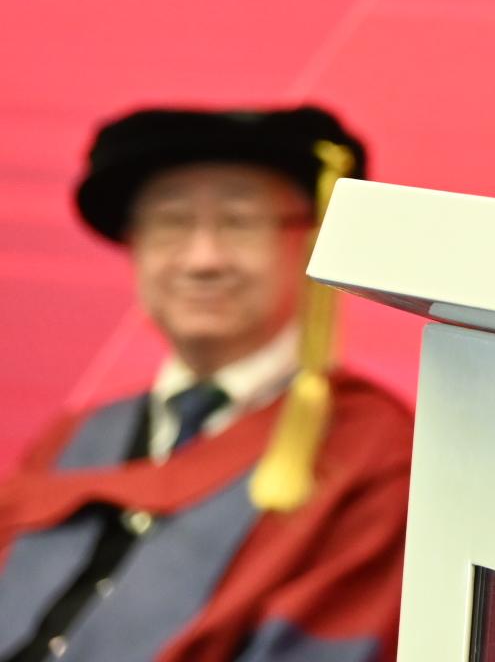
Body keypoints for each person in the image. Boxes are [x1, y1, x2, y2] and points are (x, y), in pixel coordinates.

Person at [0, 106, 410, 662]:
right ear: (136, 246)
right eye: (171, 222)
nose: (203, 259)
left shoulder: (373, 452)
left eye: (239, 222)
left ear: (310, 242)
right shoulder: (75, 440)